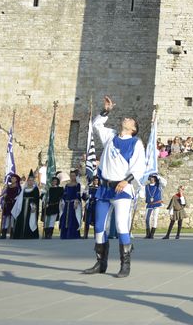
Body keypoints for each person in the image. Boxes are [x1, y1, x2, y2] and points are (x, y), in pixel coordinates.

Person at [82, 95, 146, 278]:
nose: (126, 119)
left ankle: (125, 265)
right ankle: (100, 263)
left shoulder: (136, 143)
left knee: (120, 226)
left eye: (130, 120)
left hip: (122, 189)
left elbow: (139, 166)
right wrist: (106, 111)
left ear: (133, 128)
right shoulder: (110, 137)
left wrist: (126, 181)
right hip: (104, 188)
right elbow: (96, 126)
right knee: (99, 227)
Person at [11, 171, 40, 239]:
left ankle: (29, 235)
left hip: (31, 207)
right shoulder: (24, 189)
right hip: (23, 206)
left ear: (33, 181)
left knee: (30, 219)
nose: (30, 182)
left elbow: (36, 199)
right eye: (29, 180)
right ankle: (20, 234)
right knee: (21, 219)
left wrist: (34, 206)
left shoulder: (35, 189)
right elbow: (20, 198)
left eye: (32, 180)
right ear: (27, 181)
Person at [60, 169, 83, 239]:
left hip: (73, 204)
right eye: (71, 176)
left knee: (73, 218)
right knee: (65, 218)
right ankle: (65, 234)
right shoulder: (67, 185)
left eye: (73, 176)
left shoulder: (77, 185)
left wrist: (76, 202)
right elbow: (64, 194)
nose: (72, 177)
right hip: (67, 204)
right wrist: (62, 201)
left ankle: (72, 234)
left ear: (75, 177)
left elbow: (78, 195)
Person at [0, 173, 21, 239]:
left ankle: (12, 233)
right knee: (6, 219)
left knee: (12, 219)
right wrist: (4, 189)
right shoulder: (8, 186)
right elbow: (2, 194)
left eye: (13, 178)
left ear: (16, 180)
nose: (12, 179)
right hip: (7, 204)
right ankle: (3, 233)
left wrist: (13, 199)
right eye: (11, 178)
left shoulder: (18, 188)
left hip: (13, 204)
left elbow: (18, 196)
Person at [144, 173, 166, 239]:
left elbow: (164, 182)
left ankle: (152, 234)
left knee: (155, 218)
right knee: (147, 219)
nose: (152, 178)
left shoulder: (159, 185)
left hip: (157, 204)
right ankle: (148, 233)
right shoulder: (147, 186)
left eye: (154, 177)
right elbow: (142, 193)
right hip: (149, 204)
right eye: (151, 177)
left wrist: (159, 176)